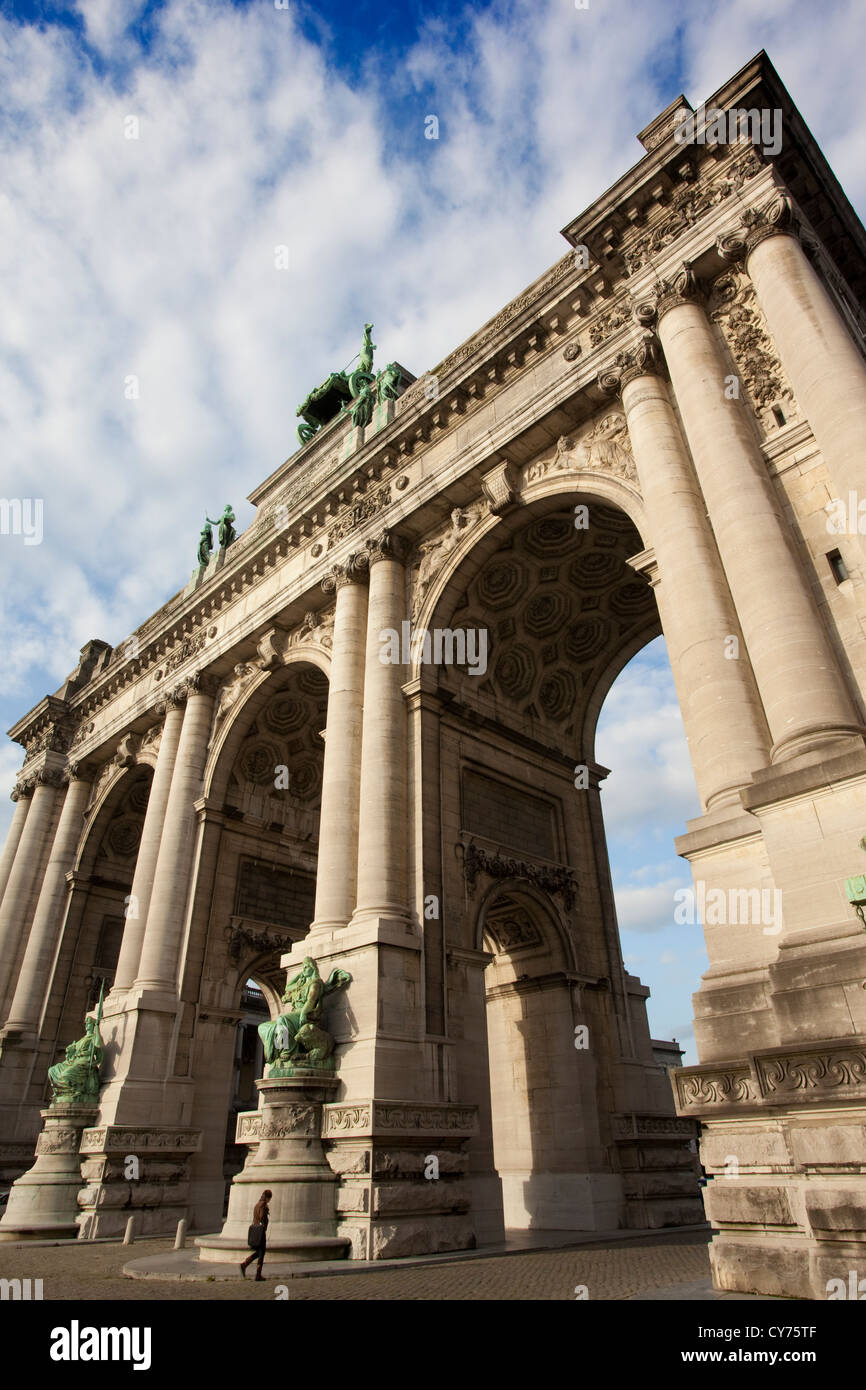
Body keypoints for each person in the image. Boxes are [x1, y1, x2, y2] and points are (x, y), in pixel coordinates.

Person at [240, 1189, 272, 1280]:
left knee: (260, 1252)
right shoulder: (263, 1205)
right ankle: (254, 1272)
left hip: (256, 1230)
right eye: (270, 1199)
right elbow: (262, 1216)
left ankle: (246, 1265)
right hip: (260, 1231)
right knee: (261, 1252)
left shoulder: (257, 1204)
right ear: (268, 1198)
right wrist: (266, 1213)